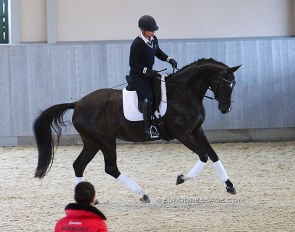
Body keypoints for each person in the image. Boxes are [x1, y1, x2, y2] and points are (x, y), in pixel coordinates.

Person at [128, 15, 177, 139]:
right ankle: (147, 128)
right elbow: (132, 64)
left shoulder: (153, 39)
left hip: (149, 74)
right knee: (149, 96)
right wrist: (147, 71)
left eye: (154, 30)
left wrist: (169, 59)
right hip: (137, 76)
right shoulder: (137, 44)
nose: (153, 32)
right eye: (151, 30)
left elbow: (158, 52)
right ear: (142, 29)